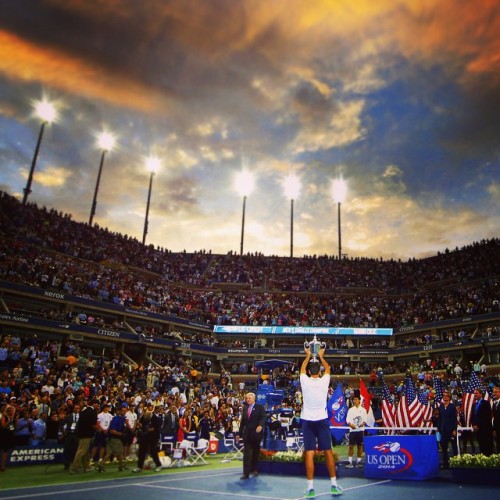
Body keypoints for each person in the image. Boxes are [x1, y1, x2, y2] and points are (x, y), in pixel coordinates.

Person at [300, 347, 342, 497]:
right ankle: (334, 485)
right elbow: (328, 368)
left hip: (308, 422)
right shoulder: (325, 381)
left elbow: (302, 369)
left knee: (310, 454)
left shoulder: (304, 380)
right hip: (322, 421)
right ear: (319, 371)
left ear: (310, 371)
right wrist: (321, 356)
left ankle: (310, 488)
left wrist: (308, 355)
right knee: (328, 452)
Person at [238, 392, 266, 480]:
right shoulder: (245, 409)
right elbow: (242, 422)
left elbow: (263, 418)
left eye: (249, 398)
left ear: (254, 399)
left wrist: (260, 425)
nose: (248, 400)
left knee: (255, 453)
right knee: (246, 454)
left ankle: (254, 469)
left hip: (256, 434)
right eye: (247, 398)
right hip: (247, 434)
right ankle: (245, 473)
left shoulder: (260, 407)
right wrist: (239, 434)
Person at [70, 399, 99, 474]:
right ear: (94, 404)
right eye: (97, 404)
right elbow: (93, 425)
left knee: (85, 452)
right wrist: (100, 430)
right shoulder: (92, 412)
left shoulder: (84, 411)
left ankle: (87, 467)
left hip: (81, 433)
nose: (98, 406)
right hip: (87, 434)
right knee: (81, 451)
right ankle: (74, 468)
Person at [132, 405, 162, 472]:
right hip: (144, 437)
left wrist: (145, 428)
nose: (145, 419)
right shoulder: (144, 416)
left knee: (153, 452)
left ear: (150, 416)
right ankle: (139, 467)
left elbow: (153, 429)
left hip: (153, 437)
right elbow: (140, 423)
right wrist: (142, 427)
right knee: (141, 452)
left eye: (147, 418)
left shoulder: (156, 419)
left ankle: (159, 465)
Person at [437, 391, 457, 469]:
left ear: (449, 397)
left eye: (446, 396)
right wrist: (438, 427)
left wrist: (455, 429)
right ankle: (445, 464)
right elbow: (440, 418)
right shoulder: (441, 406)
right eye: (444, 396)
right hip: (443, 430)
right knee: (444, 448)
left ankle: (455, 463)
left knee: (454, 447)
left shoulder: (452, 406)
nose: (445, 397)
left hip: (451, 430)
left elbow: (455, 419)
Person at [345, 393, 367, 468]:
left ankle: (358, 462)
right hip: (352, 430)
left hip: (360, 430)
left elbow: (365, 420)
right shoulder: (350, 410)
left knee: (359, 446)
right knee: (351, 446)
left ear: (359, 401)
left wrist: (362, 424)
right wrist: (351, 425)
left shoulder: (363, 410)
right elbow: (347, 420)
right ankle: (350, 462)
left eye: (356, 399)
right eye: (354, 399)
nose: (354, 401)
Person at [471, 388, 493, 456]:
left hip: (485, 429)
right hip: (477, 430)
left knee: (487, 446)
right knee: (481, 445)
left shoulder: (486, 403)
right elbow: (473, 416)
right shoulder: (474, 405)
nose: (475, 395)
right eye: (474, 393)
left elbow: (486, 417)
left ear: (481, 394)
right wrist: (474, 425)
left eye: (477, 393)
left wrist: (478, 426)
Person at [107, 405, 128, 471]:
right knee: (120, 452)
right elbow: (112, 431)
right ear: (119, 411)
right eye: (123, 411)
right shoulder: (116, 419)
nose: (124, 412)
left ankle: (101, 464)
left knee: (109, 453)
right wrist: (122, 434)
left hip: (114, 438)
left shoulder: (122, 418)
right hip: (114, 438)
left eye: (125, 411)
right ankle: (121, 466)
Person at [0, 404, 17, 472]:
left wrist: (14, 420)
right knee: (3, 450)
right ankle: (2, 465)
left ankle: (2, 465)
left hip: (10, 434)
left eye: (12, 410)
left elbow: (14, 427)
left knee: (6, 451)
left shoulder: (12, 417)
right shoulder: (4, 416)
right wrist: (9, 421)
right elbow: (3, 426)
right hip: (3, 435)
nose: (11, 411)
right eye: (9, 410)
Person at [493, 384, 500, 453]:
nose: (494, 394)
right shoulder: (494, 403)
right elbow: (495, 418)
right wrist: (494, 429)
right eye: (493, 392)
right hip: (497, 429)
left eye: (496, 392)